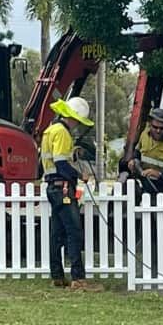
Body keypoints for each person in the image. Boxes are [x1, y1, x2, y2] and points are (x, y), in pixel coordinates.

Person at [40, 96, 103, 292]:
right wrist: (79, 174)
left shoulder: (50, 130)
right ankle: (78, 279)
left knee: (57, 233)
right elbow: (61, 163)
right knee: (74, 232)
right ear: (73, 117)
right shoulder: (63, 133)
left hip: (52, 187)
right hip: (63, 187)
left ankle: (57, 276)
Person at [120, 108, 163, 195]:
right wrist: (133, 160)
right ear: (149, 124)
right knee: (122, 163)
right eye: (155, 127)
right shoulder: (144, 134)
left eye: (162, 128)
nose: (158, 131)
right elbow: (138, 151)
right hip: (147, 183)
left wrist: (159, 174)